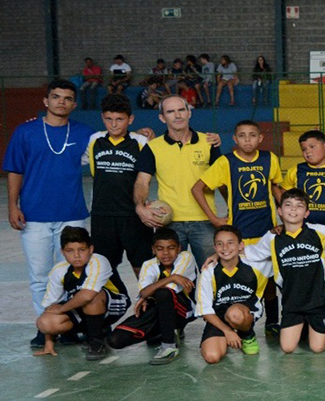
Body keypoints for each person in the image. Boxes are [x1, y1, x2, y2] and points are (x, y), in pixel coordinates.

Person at [5, 80, 94, 348]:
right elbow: (15, 170)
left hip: (72, 214)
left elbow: (115, 143)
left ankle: (66, 324)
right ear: (46, 101)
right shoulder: (25, 132)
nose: (61, 102)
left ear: (74, 104)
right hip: (34, 215)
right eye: (56, 97)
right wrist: (12, 205)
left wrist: (143, 134)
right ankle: (46, 324)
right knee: (40, 274)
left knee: (71, 272)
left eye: (67, 98)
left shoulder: (85, 133)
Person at [241, 190, 325, 355]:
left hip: (317, 301)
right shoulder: (272, 238)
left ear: (306, 213)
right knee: (287, 347)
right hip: (292, 302)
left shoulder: (318, 232)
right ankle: (306, 327)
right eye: (288, 206)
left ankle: (321, 327)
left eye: (299, 206)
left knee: (317, 348)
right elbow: (250, 253)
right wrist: (217, 254)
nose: (293, 210)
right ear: (279, 211)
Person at [136, 95, 224, 262]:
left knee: (211, 274)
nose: (177, 115)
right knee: (173, 279)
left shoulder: (209, 142)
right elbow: (142, 182)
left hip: (205, 220)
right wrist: (140, 207)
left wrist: (231, 211)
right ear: (162, 118)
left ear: (189, 113)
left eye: (181, 110)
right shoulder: (153, 147)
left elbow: (222, 181)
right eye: (170, 111)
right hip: (169, 221)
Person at [86, 94, 154, 294]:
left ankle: (151, 312)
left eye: (120, 119)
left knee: (143, 266)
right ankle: (105, 315)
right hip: (102, 215)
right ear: (102, 118)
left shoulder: (141, 141)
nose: (114, 124)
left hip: (134, 215)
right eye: (109, 119)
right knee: (102, 268)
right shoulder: (95, 140)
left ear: (130, 119)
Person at [34, 227, 130, 360]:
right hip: (81, 308)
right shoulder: (59, 270)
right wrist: (48, 343)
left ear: (91, 249)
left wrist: (62, 309)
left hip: (114, 305)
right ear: (62, 252)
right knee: (45, 322)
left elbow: (87, 295)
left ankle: (96, 342)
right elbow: (50, 308)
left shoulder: (98, 261)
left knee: (92, 297)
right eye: (70, 251)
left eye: (82, 250)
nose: (76, 255)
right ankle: (91, 331)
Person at [107, 228, 197, 365]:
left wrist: (147, 294)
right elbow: (143, 293)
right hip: (157, 311)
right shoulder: (148, 265)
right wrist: (172, 277)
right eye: (160, 249)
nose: (166, 253)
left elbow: (168, 291)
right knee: (115, 340)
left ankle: (169, 346)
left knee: (163, 294)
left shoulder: (185, 257)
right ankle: (162, 332)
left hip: (184, 311)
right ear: (153, 250)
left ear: (178, 248)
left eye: (171, 248)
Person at [192, 120, 285, 243]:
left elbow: (275, 188)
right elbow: (196, 189)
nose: (247, 140)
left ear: (260, 138)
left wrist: (287, 219)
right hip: (238, 231)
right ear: (235, 139)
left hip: (267, 230)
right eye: (242, 136)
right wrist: (213, 219)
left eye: (252, 135)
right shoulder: (225, 162)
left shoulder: (269, 158)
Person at [197, 226, 268, 363]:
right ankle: (228, 335)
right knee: (212, 357)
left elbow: (275, 250)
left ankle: (247, 335)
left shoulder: (256, 266)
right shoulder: (209, 271)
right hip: (219, 317)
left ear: (241, 245)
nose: (225, 248)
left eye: (230, 243)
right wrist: (227, 331)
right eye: (220, 244)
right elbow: (205, 310)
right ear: (215, 247)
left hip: (243, 313)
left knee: (235, 313)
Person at [284, 129, 325, 226]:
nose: (308, 152)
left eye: (312, 147)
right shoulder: (296, 170)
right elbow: (283, 195)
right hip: (303, 229)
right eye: (304, 149)